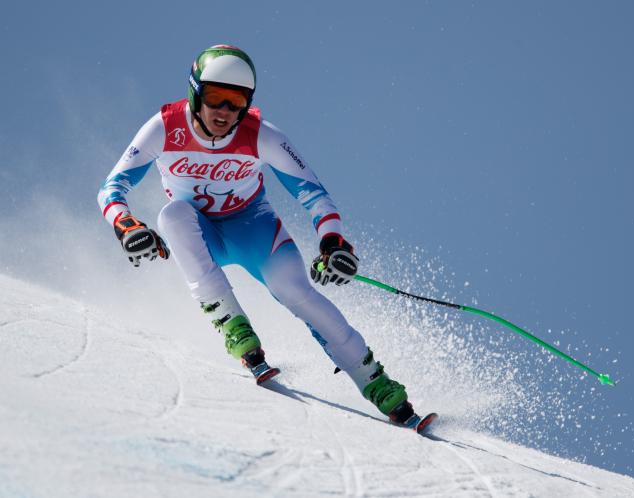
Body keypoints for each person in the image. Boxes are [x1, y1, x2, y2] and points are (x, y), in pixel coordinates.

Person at [98, 45, 416, 425]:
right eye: (215, 98)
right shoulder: (164, 127)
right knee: (174, 216)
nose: (225, 112)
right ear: (194, 93)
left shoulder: (261, 135)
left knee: (296, 292)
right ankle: (237, 330)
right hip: (201, 234)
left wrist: (332, 241)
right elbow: (111, 187)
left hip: (254, 229)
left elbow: (313, 193)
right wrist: (125, 225)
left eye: (237, 102)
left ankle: (376, 383)